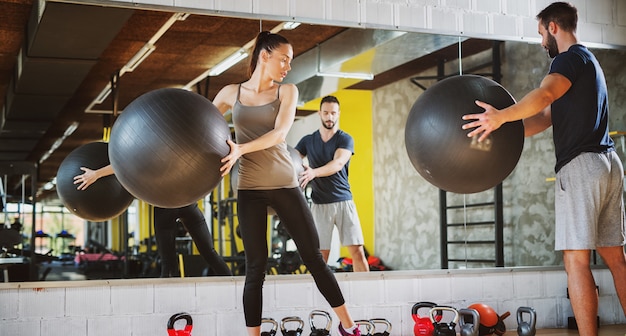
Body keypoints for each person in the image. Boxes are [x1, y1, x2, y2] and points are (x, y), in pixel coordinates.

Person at [461, 2, 626, 335]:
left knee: (575, 260)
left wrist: (501, 114)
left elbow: (544, 93)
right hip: (608, 165)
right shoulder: (588, 62)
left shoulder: (567, 59)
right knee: (616, 259)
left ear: (553, 27)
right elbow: (547, 116)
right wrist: (499, 129)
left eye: (540, 34)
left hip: (581, 167)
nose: (541, 43)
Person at [213, 31, 361, 336]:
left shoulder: (287, 92)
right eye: (284, 59)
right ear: (264, 56)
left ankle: (349, 326)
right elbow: (204, 128)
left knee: (314, 259)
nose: (287, 67)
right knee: (255, 268)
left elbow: (280, 134)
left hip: (284, 183)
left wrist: (240, 149)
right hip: (249, 190)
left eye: (290, 61)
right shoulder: (231, 93)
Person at [73, 165, 232, 278]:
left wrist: (96, 174)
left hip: (169, 207)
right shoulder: (182, 144)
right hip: (184, 205)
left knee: (169, 263)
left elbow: (124, 164)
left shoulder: (153, 150)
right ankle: (232, 288)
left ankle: (230, 288)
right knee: (207, 254)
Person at [294, 95, 369, 272]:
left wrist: (313, 172)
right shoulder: (308, 141)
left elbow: (338, 163)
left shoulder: (345, 139)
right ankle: (317, 297)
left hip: (343, 201)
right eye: (326, 113)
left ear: (338, 114)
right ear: (319, 113)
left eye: (333, 113)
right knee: (320, 257)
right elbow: (291, 160)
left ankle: (367, 294)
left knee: (357, 252)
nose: (329, 117)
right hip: (320, 204)